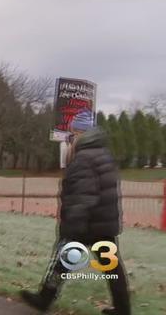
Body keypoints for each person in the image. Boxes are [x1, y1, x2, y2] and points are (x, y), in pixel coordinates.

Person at [20, 110, 131, 315]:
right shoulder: (103, 154)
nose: (71, 137)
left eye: (73, 133)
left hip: (86, 224)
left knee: (62, 264)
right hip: (103, 223)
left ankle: (44, 300)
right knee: (112, 268)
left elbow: (83, 196)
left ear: (80, 133)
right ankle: (123, 309)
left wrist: (71, 229)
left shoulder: (83, 158)